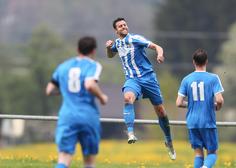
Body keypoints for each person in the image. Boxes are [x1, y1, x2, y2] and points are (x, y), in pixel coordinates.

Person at [105, 17, 176, 160]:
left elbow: (157, 46)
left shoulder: (136, 39)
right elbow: (111, 55)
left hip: (149, 79)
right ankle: (130, 133)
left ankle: (169, 141)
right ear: (116, 30)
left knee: (161, 111)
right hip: (133, 80)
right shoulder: (117, 43)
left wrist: (160, 55)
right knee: (127, 98)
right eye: (120, 26)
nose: (124, 27)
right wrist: (108, 47)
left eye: (125, 24)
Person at [46, 36, 108, 168]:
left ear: (77, 49)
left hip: (67, 117)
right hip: (87, 116)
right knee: (89, 161)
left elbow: (49, 90)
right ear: (94, 51)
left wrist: (64, 90)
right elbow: (90, 84)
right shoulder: (93, 65)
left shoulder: (63, 66)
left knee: (63, 158)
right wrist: (102, 97)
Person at [176, 48, 224, 168]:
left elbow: (178, 103)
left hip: (192, 122)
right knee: (212, 153)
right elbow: (219, 100)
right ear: (206, 61)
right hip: (207, 121)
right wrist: (217, 107)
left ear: (193, 62)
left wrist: (191, 104)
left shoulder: (186, 79)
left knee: (198, 154)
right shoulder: (213, 78)